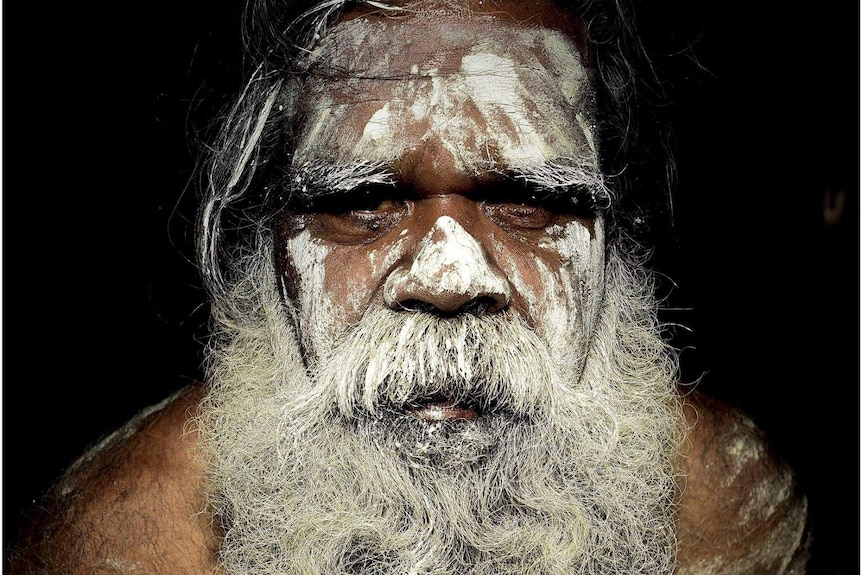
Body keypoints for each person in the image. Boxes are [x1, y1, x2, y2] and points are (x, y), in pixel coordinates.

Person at [6, 0, 812, 573]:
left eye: (528, 202)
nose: (450, 275)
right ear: (270, 248)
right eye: (362, 202)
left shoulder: (724, 506)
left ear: (614, 242)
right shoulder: (131, 542)